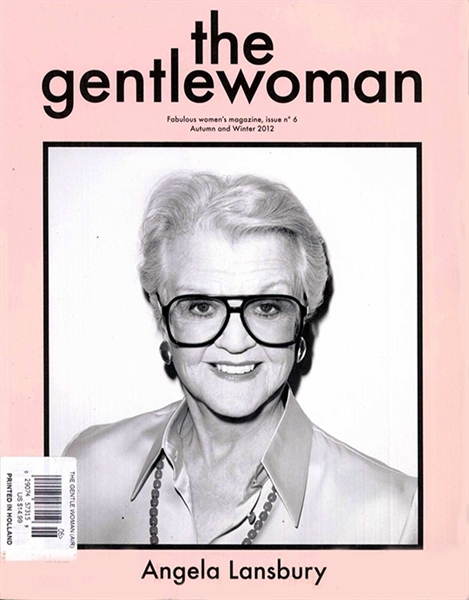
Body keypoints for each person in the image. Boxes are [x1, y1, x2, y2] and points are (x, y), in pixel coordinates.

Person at [64, 172, 418, 545]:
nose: (235, 343)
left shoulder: (395, 517)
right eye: (200, 306)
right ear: (164, 321)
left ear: (299, 326)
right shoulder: (84, 467)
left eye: (267, 307)